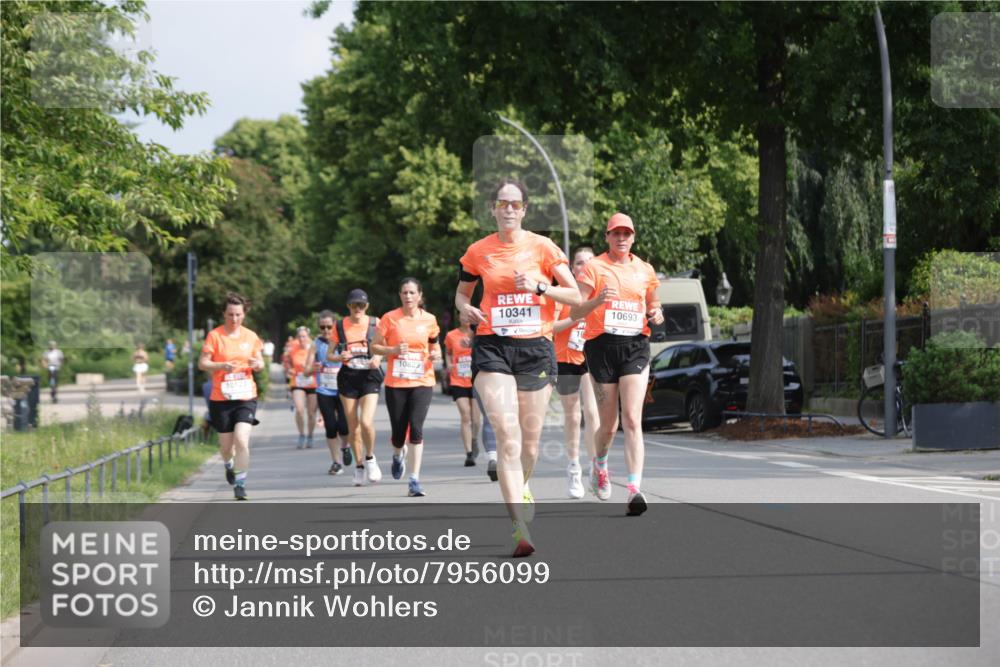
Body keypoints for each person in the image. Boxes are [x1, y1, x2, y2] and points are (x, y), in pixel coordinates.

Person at [456, 179, 581, 557]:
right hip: (493, 346)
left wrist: (541, 287)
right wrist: (465, 308)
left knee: (529, 443)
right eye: (502, 203)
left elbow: (575, 296)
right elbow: (462, 293)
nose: (508, 209)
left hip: (535, 350)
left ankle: (523, 484)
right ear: (492, 209)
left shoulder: (544, 247)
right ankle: (518, 528)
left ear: (525, 209)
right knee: (507, 436)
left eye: (515, 204)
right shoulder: (478, 251)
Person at [572, 213, 664, 516]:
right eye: (616, 233)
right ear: (607, 237)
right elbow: (576, 310)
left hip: (635, 346)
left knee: (633, 420)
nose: (621, 238)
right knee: (609, 425)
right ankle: (599, 465)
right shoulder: (594, 267)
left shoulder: (645, 270)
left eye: (627, 233)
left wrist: (657, 314)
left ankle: (634, 489)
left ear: (633, 237)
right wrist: (598, 301)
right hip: (601, 348)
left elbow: (654, 304)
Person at [371, 278, 442, 497]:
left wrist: (436, 354)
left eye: (412, 292)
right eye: (404, 293)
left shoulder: (429, 319)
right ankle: (397, 455)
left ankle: (414, 480)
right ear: (400, 295)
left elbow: (435, 345)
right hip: (397, 383)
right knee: (399, 432)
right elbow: (374, 346)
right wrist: (392, 350)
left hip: (422, 380)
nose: (408, 296)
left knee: (417, 429)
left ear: (420, 295)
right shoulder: (390, 318)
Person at [199, 292, 265, 501]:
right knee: (226, 448)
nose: (234, 319)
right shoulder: (215, 336)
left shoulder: (251, 336)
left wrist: (257, 364)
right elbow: (202, 363)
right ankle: (229, 465)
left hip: (246, 396)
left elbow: (260, 363)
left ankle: (240, 484)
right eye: (230, 314)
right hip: (221, 398)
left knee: (241, 440)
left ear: (244, 314)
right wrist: (220, 365)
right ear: (224, 314)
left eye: (238, 314)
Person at [553, 247, 599, 499]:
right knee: (573, 415)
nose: (585, 266)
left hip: (591, 357)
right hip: (566, 359)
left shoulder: (600, 292)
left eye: (590, 261)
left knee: (592, 412)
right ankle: (573, 468)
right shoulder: (563, 294)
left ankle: (596, 466)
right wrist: (575, 317)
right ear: (572, 268)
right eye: (580, 262)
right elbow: (550, 327)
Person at [328, 288, 384, 487]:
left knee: (366, 421)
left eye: (361, 305)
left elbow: (384, 346)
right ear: (348, 306)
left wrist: (378, 357)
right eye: (354, 305)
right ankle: (359, 466)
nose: (357, 308)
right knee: (353, 426)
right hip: (348, 377)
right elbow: (329, 355)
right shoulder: (340, 325)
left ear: (366, 306)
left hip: (369, 376)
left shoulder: (376, 323)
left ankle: (370, 458)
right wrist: (339, 357)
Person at [306, 310, 351, 475]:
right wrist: (313, 368)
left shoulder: (343, 341)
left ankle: (345, 446)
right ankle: (336, 462)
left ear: (335, 326)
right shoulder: (315, 344)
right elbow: (305, 370)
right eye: (322, 327)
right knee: (331, 427)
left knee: (344, 427)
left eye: (329, 326)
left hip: (343, 389)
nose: (326, 330)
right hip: (324, 390)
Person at [444, 311, 481, 467]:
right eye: (463, 316)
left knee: (476, 419)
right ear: (459, 317)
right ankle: (469, 453)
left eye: (468, 316)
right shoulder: (451, 335)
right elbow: (448, 352)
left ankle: (474, 439)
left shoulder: (479, 333)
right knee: (465, 416)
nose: (465, 318)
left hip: (476, 380)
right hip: (458, 380)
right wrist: (449, 364)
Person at [287, 326, 319, 449]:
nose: (301, 339)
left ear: (308, 336)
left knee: (311, 413)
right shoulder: (293, 348)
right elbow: (288, 362)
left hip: (312, 383)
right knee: (299, 410)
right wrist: (289, 370)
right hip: (297, 382)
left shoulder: (314, 347)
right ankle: (301, 435)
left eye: (304, 336)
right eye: (299, 336)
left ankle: (310, 436)